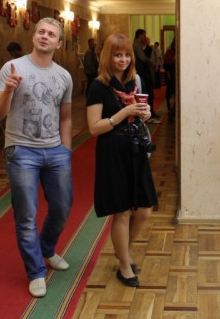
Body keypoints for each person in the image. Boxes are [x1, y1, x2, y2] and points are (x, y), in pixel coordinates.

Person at [0, 17, 74, 298]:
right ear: (34, 36)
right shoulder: (13, 68)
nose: (44, 36)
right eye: (41, 31)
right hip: (21, 151)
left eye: (51, 34)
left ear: (58, 43)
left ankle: (47, 249)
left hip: (55, 151)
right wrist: (9, 89)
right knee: (26, 216)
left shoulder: (64, 76)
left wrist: (65, 150)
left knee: (62, 207)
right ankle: (36, 271)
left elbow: (65, 117)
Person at [86, 33, 158, 288]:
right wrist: (122, 113)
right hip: (112, 152)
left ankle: (122, 251)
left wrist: (144, 114)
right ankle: (124, 266)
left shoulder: (132, 83)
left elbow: (138, 116)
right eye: (118, 55)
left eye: (127, 55)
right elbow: (94, 128)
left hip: (134, 150)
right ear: (108, 56)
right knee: (123, 212)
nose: (123, 59)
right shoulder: (98, 87)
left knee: (145, 210)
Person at [133, 29, 159, 122]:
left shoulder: (139, 45)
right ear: (140, 35)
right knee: (147, 93)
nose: (145, 37)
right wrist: (150, 61)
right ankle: (148, 113)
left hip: (142, 72)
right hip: (141, 72)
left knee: (148, 92)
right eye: (144, 35)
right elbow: (142, 58)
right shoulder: (137, 45)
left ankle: (150, 112)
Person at [163, 40, 176, 120]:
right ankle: (170, 109)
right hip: (170, 75)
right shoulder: (170, 51)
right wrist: (168, 74)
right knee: (170, 91)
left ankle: (172, 111)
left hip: (175, 74)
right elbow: (166, 64)